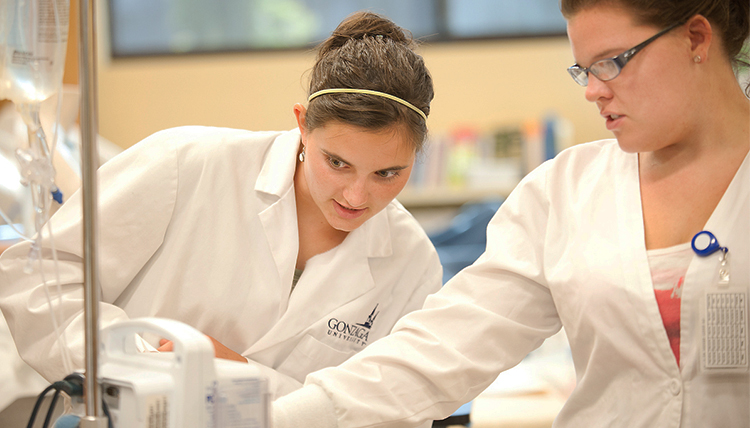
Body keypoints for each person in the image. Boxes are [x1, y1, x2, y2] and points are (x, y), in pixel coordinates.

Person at [270, 0, 750, 427]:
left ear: (696, 38)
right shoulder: (564, 192)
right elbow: (437, 355)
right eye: (583, 70)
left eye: (611, 63)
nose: (593, 90)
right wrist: (270, 420)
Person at [0, 11, 442, 400]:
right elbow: (39, 283)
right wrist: (148, 366)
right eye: (337, 163)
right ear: (303, 124)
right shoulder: (185, 163)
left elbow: (384, 404)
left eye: (388, 173)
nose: (356, 196)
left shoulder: (412, 263)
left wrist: (239, 377)